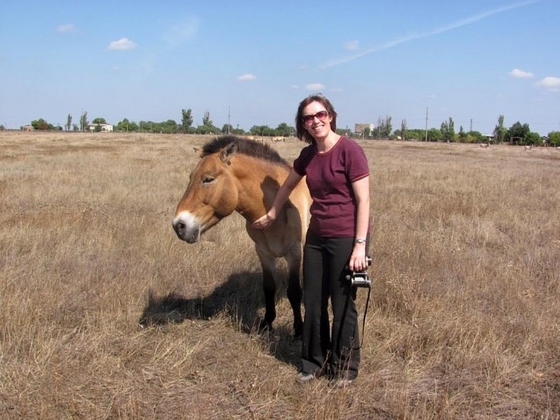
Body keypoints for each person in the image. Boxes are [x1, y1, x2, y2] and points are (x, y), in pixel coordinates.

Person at [252, 94, 370, 387]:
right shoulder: (307, 155)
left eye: (319, 114)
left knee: (342, 303)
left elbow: (363, 200)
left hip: (345, 237)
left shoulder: (350, 151)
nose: (314, 121)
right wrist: (273, 212)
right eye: (308, 117)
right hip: (316, 236)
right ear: (302, 124)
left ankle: (344, 367)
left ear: (330, 115)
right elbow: (288, 184)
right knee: (313, 302)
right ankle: (313, 362)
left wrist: (360, 245)